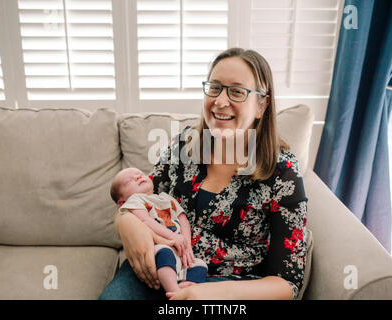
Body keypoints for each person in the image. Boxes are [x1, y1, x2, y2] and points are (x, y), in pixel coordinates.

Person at [99, 47, 308, 300]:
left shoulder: (282, 172)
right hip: (160, 266)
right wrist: (125, 223)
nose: (220, 101)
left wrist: (206, 293)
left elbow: (287, 282)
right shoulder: (185, 144)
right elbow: (138, 195)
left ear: (261, 105)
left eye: (237, 91)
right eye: (215, 87)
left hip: (229, 287)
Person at [110, 167, 208, 294]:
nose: (138, 177)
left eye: (140, 173)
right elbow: (146, 221)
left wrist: (186, 244)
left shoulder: (165, 198)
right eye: (129, 180)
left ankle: (187, 285)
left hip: (179, 248)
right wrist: (173, 236)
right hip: (157, 245)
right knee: (165, 253)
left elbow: (182, 219)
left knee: (199, 265)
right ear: (122, 201)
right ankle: (173, 290)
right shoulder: (135, 200)